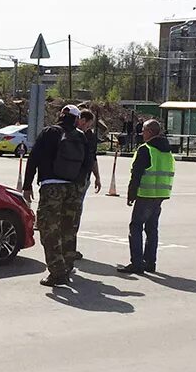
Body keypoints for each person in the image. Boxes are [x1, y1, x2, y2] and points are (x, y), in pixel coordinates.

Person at [22, 104, 92, 288]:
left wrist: (27, 185)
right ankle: (67, 266)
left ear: (61, 115)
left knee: (48, 229)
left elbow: (34, 158)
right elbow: (88, 163)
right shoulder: (80, 136)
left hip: (51, 186)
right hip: (73, 188)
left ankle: (57, 272)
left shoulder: (49, 132)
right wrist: (78, 184)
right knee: (69, 228)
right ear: (77, 119)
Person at [117, 119, 174, 275]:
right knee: (152, 228)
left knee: (135, 227)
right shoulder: (167, 150)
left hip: (146, 194)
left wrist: (131, 194)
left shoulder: (146, 149)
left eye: (143, 130)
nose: (141, 133)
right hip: (160, 195)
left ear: (150, 132)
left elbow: (136, 174)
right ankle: (150, 262)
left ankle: (136, 263)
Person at [71, 109, 104, 260]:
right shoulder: (77, 134)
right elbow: (91, 158)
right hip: (75, 179)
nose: (89, 127)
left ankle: (70, 247)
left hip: (80, 179)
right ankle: (68, 248)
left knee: (74, 214)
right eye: (89, 124)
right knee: (71, 214)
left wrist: (97, 176)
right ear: (82, 120)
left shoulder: (86, 136)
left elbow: (92, 158)